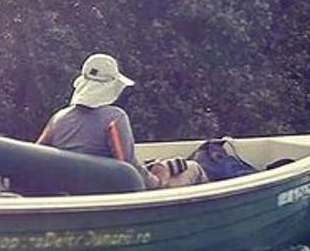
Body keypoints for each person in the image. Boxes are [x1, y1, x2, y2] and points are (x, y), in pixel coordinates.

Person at [36, 53, 205, 189]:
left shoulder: (57, 119)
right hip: (111, 190)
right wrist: (159, 180)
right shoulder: (115, 118)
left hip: (73, 190)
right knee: (194, 169)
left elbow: (38, 157)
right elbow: (127, 167)